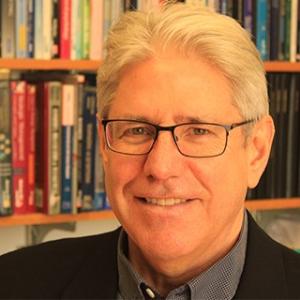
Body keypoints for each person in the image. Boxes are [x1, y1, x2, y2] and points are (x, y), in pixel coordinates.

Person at [1, 3, 300, 299]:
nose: (160, 166)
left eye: (198, 131)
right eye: (137, 130)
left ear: (257, 151)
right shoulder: (13, 283)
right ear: (104, 145)